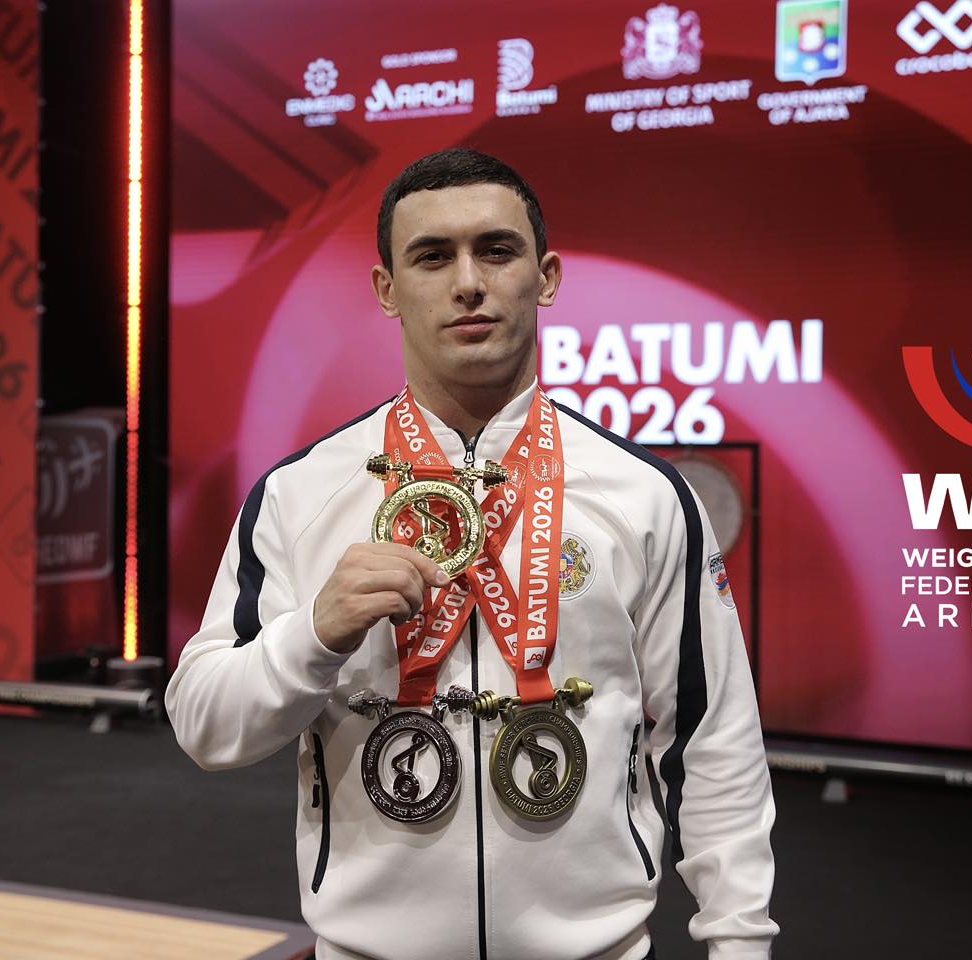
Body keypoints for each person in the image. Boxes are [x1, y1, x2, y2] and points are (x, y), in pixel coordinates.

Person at [166, 148, 778, 960]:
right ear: (387, 289)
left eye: (496, 250)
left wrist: (740, 946)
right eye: (432, 256)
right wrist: (313, 635)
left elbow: (714, 743)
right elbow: (205, 725)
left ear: (545, 277)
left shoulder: (646, 496)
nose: (468, 283)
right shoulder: (299, 495)